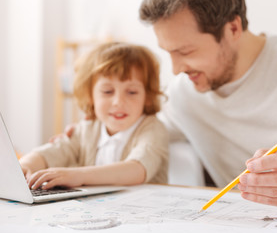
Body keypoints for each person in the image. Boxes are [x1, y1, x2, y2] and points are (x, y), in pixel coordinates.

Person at [138, 0, 277, 214]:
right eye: (168, 52)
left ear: (233, 28)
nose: (176, 69)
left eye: (185, 52)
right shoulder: (183, 93)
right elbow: (143, 137)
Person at [19, 42, 168, 190]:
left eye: (132, 92)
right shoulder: (87, 129)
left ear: (147, 96)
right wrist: (25, 166)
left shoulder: (153, 129)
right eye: (107, 91)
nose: (118, 102)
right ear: (90, 95)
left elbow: (137, 170)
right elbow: (52, 152)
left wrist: (78, 175)